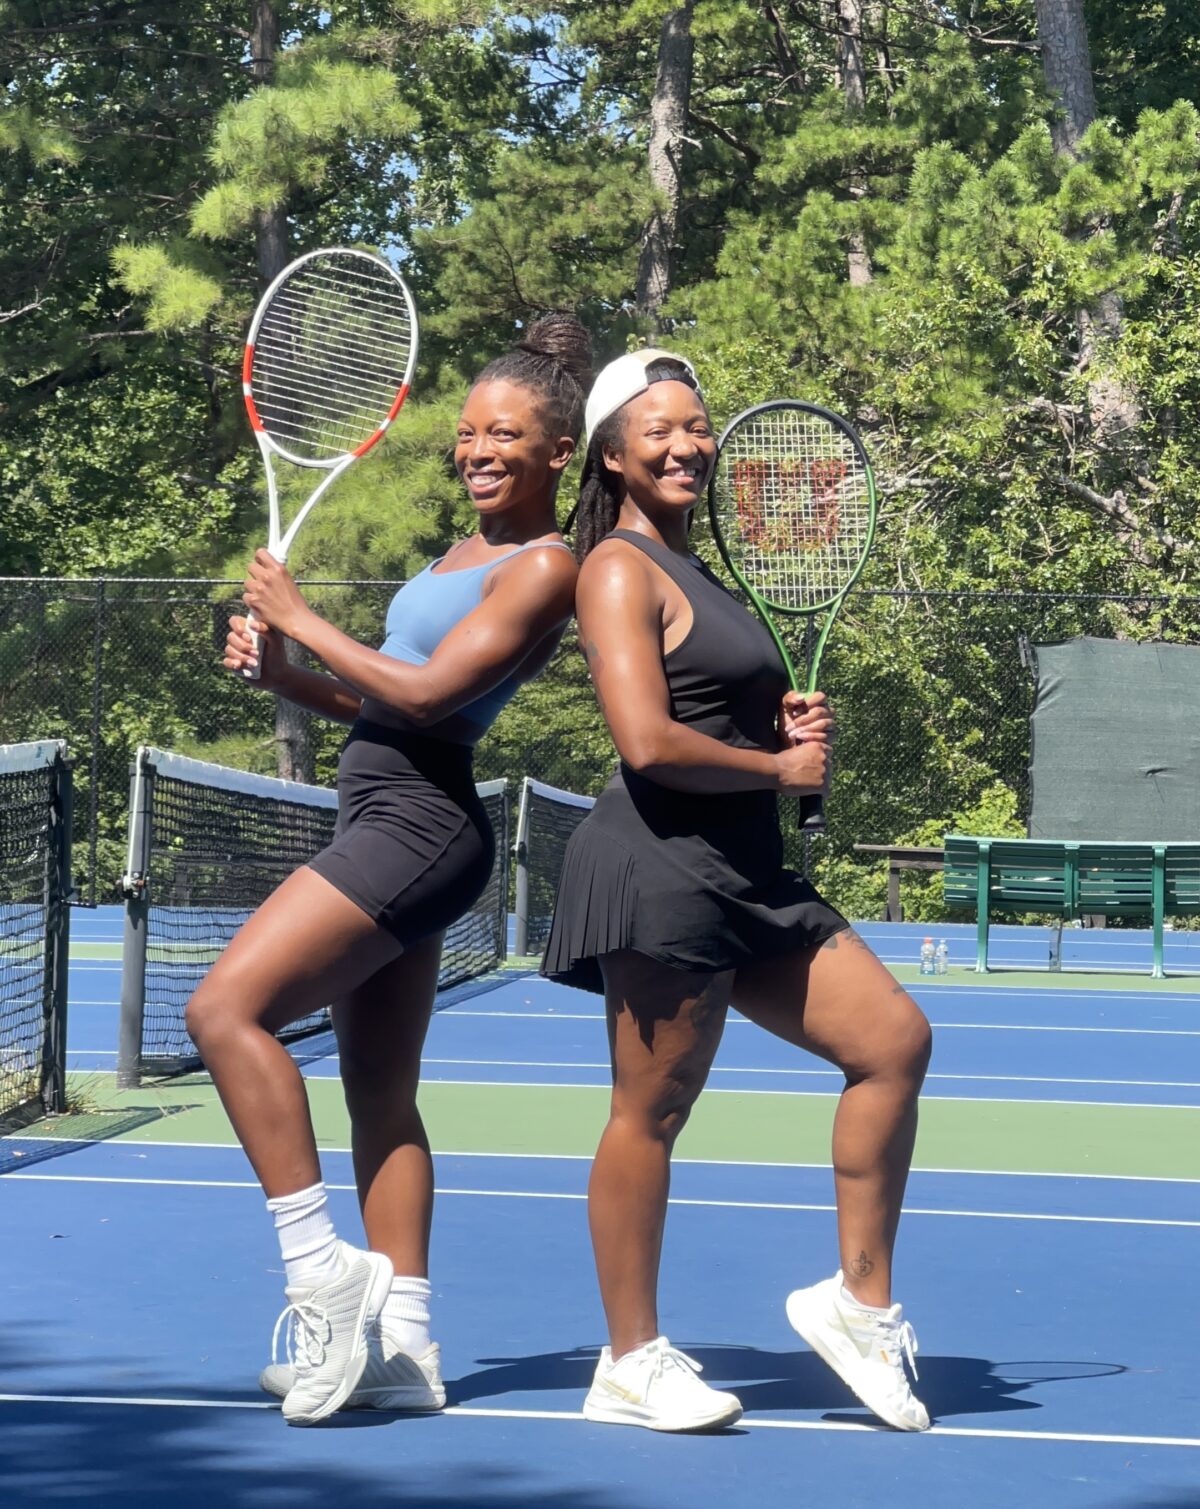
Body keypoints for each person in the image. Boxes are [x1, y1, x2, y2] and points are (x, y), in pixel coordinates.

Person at [186, 315, 592, 1426]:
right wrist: (281, 666)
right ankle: (405, 1348)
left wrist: (301, 615)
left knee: (224, 1012)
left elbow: (427, 703)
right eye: (467, 433)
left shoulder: (548, 567)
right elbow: (385, 699)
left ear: (559, 450)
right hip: (391, 808)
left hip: (416, 830)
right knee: (379, 1094)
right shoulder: (453, 557)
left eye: (504, 434)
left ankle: (324, 1270)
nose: (476, 450)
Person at [542, 350, 933, 1434]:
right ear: (613, 454)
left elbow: (713, 716)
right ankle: (630, 1360)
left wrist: (784, 737)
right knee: (652, 1113)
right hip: (660, 865)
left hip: (749, 869)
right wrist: (777, 771)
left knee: (894, 1042)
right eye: (658, 430)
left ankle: (859, 1306)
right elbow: (645, 740)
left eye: (697, 427)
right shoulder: (616, 569)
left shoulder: (703, 570)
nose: (685, 445)